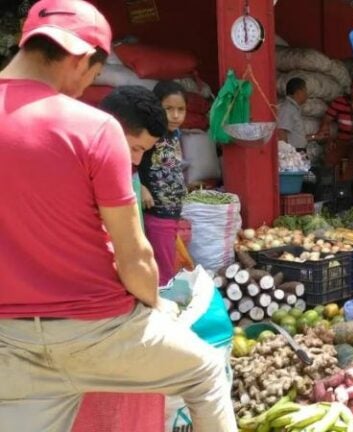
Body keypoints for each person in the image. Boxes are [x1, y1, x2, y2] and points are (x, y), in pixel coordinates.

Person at [0, 2, 236, 431]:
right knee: (204, 373)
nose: (88, 83)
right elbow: (135, 257)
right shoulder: (93, 127)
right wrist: (157, 305)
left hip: (8, 342)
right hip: (99, 331)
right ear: (79, 57)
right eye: (94, 71)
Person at [71, 86, 169, 432]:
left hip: (121, 304)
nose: (138, 160)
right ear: (108, 128)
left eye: (146, 151)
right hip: (92, 315)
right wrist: (155, 303)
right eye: (136, 148)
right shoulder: (78, 171)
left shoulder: (125, 167)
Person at [138, 80, 189, 286]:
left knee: (166, 261)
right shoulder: (150, 135)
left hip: (172, 211)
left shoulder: (174, 135)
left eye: (181, 109)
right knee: (163, 268)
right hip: (157, 212)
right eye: (168, 109)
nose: (175, 115)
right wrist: (140, 186)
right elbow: (131, 161)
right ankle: (164, 305)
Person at [277, 77, 324, 150]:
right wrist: (287, 154)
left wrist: (315, 136)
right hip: (293, 151)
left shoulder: (294, 109)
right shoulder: (288, 109)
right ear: (298, 92)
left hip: (298, 150)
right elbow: (281, 131)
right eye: (305, 91)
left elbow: (298, 137)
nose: (307, 95)